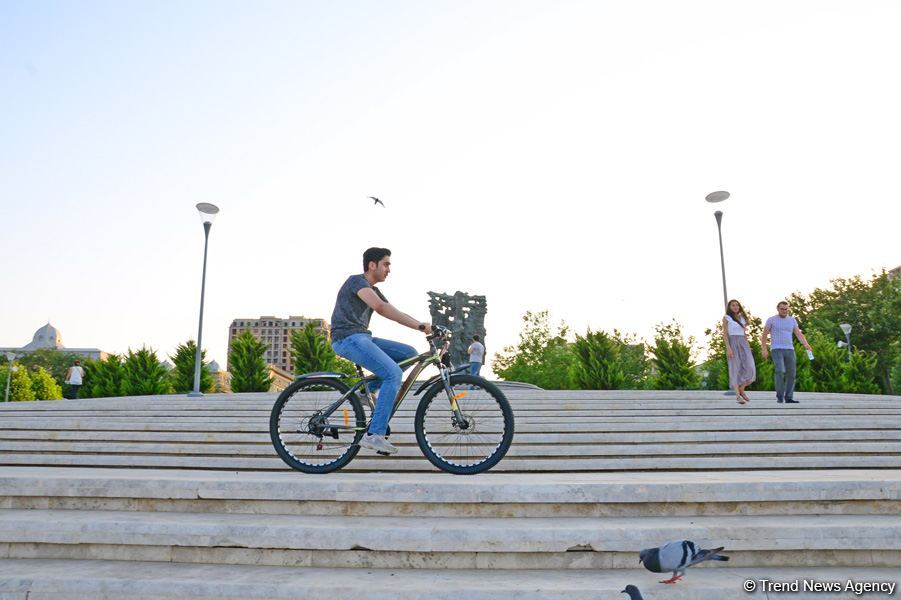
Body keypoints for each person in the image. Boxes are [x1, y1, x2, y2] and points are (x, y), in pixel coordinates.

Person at [330, 247, 432, 455]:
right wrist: (420, 327)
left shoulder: (373, 290)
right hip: (347, 338)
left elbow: (393, 311)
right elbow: (380, 307)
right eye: (386, 264)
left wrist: (422, 325)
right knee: (393, 373)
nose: (389, 269)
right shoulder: (357, 281)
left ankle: (364, 393)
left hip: (362, 337)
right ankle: (374, 434)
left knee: (409, 354)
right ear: (372, 265)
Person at [761, 301, 812, 404]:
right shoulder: (771, 320)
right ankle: (780, 397)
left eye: (786, 309)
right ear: (778, 309)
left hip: (790, 349)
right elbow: (764, 335)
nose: (784, 311)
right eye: (782, 309)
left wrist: (806, 344)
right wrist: (764, 348)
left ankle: (788, 397)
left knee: (792, 374)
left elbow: (798, 334)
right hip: (776, 349)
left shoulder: (792, 320)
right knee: (780, 371)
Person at [722, 299, 755, 404]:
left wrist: (748, 346)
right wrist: (728, 348)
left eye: (737, 305)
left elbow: (744, 334)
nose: (735, 307)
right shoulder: (726, 318)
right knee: (735, 368)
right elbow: (725, 334)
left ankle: (742, 388)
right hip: (733, 343)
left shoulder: (742, 318)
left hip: (743, 343)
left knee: (750, 367)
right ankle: (738, 395)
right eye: (733, 305)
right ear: (729, 307)